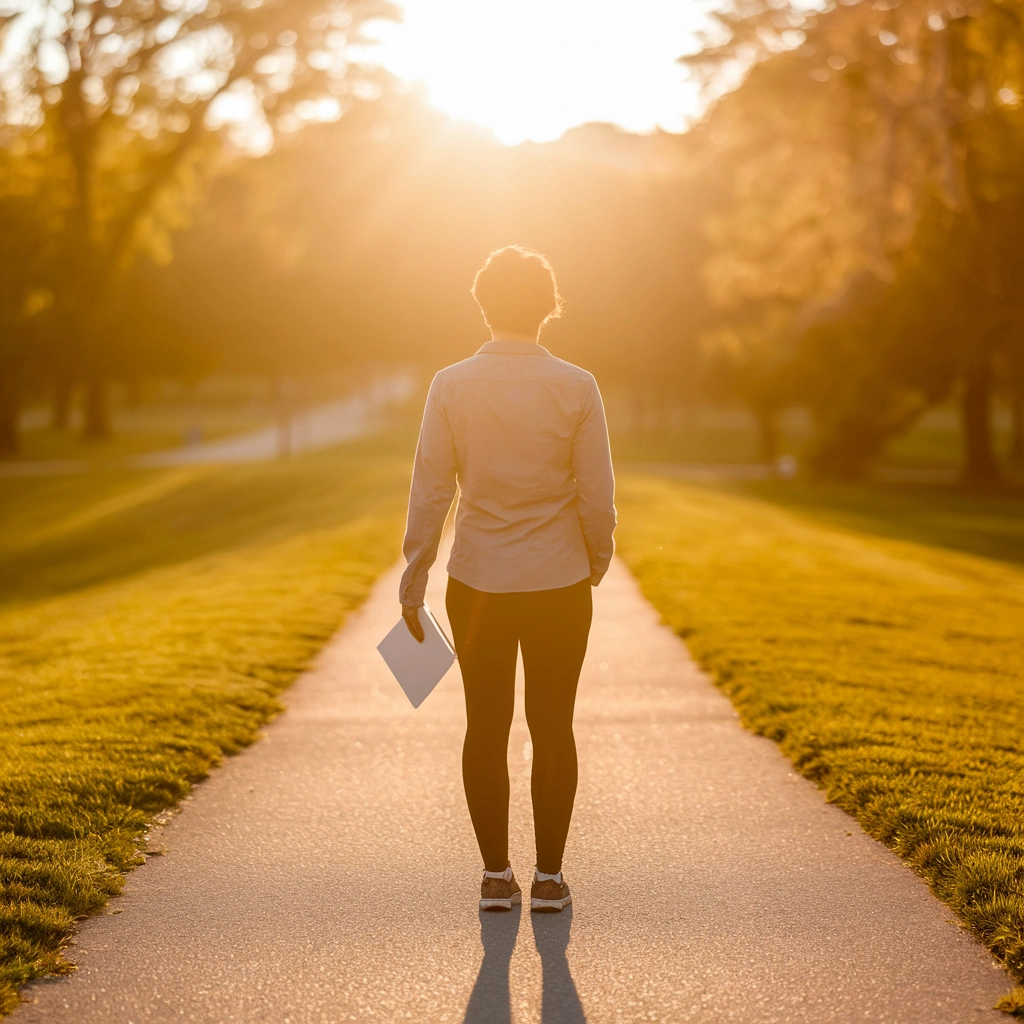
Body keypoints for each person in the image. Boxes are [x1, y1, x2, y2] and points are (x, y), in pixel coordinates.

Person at [399, 245, 616, 914]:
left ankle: (497, 877)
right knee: (554, 728)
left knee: (484, 728)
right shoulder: (577, 385)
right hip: (558, 583)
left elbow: (432, 488)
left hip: (478, 583)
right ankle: (549, 880)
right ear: (549, 307)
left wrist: (415, 574)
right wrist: (595, 562)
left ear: (483, 304)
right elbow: (596, 496)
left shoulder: (450, 384)